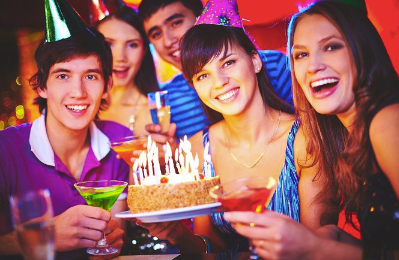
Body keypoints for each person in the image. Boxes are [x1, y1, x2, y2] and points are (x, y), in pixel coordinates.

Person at [135, 0, 334, 254]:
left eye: (228, 62)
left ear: (255, 61)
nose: (220, 82)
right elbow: (210, 250)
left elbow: (320, 248)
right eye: (203, 75)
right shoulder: (198, 149)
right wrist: (177, 233)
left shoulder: (306, 140)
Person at [224, 1, 399, 259]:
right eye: (301, 55)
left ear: (363, 49)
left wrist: (315, 247)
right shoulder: (345, 137)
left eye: (331, 47)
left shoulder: (387, 121)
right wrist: (331, 236)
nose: (313, 65)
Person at [0, 0, 131, 258]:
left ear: (107, 85)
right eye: (63, 75)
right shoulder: (5, 150)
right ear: (41, 87)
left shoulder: (119, 141)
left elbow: (112, 245)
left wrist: (112, 241)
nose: (78, 92)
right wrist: (44, 235)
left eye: (91, 76)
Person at [138, 0, 293, 143]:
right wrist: (172, 155)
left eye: (176, 23)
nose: (168, 40)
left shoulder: (276, 65)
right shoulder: (167, 103)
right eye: (156, 34)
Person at [95, 6, 160, 136]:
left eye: (132, 45)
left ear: (144, 51)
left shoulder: (154, 114)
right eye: (108, 44)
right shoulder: (77, 103)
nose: (120, 57)